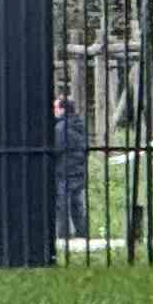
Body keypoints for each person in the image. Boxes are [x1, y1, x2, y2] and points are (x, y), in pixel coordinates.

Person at [53, 91, 91, 240]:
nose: (54, 111)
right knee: (78, 205)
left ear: (63, 109)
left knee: (62, 205)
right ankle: (83, 234)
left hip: (64, 171)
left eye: (56, 108)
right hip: (79, 170)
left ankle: (64, 235)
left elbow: (55, 150)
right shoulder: (80, 125)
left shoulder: (60, 128)